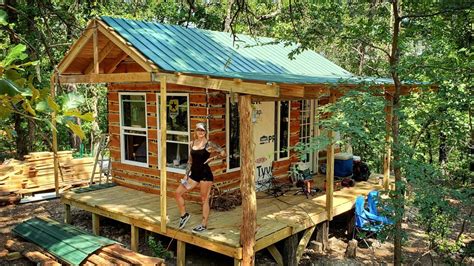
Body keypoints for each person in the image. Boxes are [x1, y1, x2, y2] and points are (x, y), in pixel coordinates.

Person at [174, 122, 225, 233]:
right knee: (178, 193)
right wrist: (186, 174)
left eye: (202, 130)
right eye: (199, 130)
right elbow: (190, 161)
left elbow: (223, 153)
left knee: (204, 199)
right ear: (195, 131)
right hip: (194, 174)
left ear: (206, 132)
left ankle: (203, 225)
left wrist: (212, 159)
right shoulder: (191, 144)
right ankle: (184, 215)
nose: (200, 132)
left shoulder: (209, 144)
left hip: (205, 174)